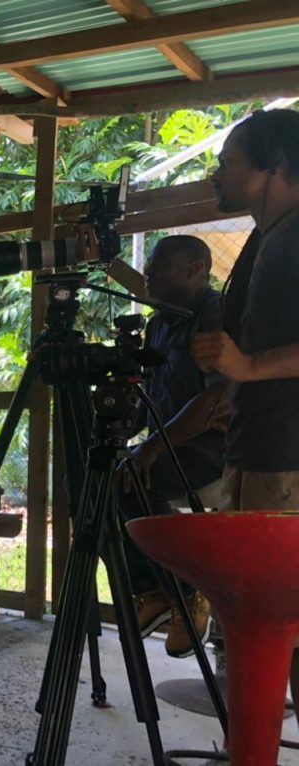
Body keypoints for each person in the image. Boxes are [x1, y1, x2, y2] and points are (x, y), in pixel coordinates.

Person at [190, 108, 299, 730]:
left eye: (228, 162)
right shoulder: (267, 237)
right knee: (259, 629)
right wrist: (238, 384)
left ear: (273, 166)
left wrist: (250, 367)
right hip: (258, 451)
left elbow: (259, 359)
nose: (217, 173)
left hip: (287, 461)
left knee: (284, 629)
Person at [119, 235, 224, 658]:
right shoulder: (158, 324)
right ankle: (154, 592)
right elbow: (150, 395)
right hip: (167, 445)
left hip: (212, 450)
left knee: (134, 479)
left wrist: (151, 447)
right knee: (96, 480)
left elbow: (214, 400)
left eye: (159, 264)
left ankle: (188, 594)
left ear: (196, 269)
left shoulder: (215, 313)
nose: (148, 272)